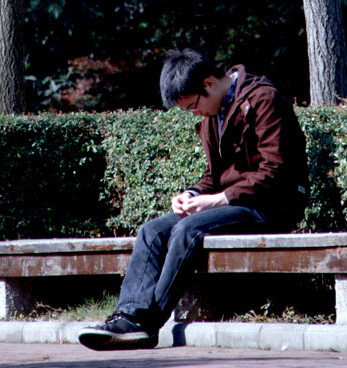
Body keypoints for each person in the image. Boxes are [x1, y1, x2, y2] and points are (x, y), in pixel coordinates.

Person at [78, 48, 308, 351]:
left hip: (272, 205)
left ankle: (146, 325)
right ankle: (128, 315)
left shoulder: (263, 99)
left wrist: (216, 200)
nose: (194, 114)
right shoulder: (214, 111)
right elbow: (215, 174)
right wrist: (194, 193)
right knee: (152, 231)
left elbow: (274, 171)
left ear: (209, 83)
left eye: (192, 106)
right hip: (235, 205)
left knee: (189, 229)